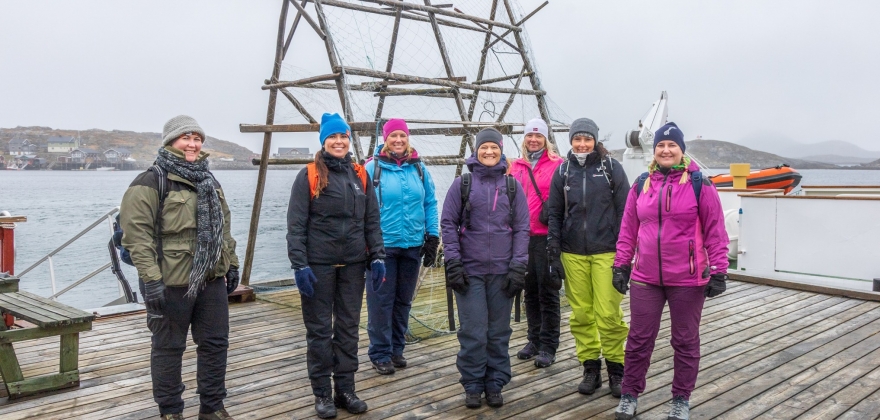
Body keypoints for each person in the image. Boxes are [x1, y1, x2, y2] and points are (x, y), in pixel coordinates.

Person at [121, 115, 240, 420]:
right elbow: (137, 236)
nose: (192, 144)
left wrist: (232, 264)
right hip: (170, 282)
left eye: (197, 138)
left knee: (215, 344)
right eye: (186, 138)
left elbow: (223, 229)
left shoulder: (210, 180)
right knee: (168, 347)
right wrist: (150, 279)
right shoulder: (150, 181)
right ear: (170, 141)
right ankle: (171, 411)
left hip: (211, 279)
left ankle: (212, 407)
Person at [612, 122, 729, 420]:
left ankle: (680, 399)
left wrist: (719, 270)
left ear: (681, 150)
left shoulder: (699, 184)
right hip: (645, 278)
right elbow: (628, 229)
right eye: (661, 146)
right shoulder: (641, 184)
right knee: (638, 339)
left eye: (672, 145)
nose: (666, 150)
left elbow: (716, 230)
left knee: (686, 340)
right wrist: (621, 265)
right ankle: (629, 393)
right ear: (654, 152)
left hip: (688, 279)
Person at [286, 113, 386, 419]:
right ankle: (322, 394)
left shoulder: (361, 175)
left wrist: (378, 255)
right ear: (323, 141)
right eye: (333, 137)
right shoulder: (309, 175)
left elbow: (371, 220)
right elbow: (296, 224)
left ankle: (346, 389)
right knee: (319, 332)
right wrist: (299, 264)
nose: (339, 142)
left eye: (343, 137)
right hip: (319, 266)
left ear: (348, 140)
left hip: (353, 266)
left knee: (347, 329)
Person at [441, 128, 530, 409]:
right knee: (473, 331)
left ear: (501, 150)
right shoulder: (462, 184)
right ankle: (473, 383)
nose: (489, 152)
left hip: (503, 272)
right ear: (476, 150)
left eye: (494, 147)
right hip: (470, 272)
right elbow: (448, 225)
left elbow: (522, 229)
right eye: (484, 147)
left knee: (498, 331)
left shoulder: (513, 187)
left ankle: (495, 382)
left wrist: (518, 267)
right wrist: (453, 263)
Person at [546, 117, 630, 397]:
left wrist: (624, 257)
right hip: (572, 254)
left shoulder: (611, 169)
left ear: (595, 141)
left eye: (587, 139)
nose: (582, 144)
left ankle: (617, 369)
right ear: (570, 141)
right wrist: (553, 252)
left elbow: (626, 213)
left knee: (608, 314)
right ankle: (590, 367)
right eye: (577, 139)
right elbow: (554, 214)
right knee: (582, 315)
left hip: (607, 251)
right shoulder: (563, 171)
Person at [364, 118, 440, 375]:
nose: (398, 140)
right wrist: (368, 245)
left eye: (403, 136)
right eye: (393, 135)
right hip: (382, 247)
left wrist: (433, 236)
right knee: (381, 302)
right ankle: (379, 352)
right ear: (385, 139)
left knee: (403, 301)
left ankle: (397, 349)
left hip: (412, 246)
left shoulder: (419, 169)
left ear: (408, 138)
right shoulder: (372, 168)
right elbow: (362, 209)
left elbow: (430, 202)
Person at [507, 118, 564, 368]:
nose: (534, 140)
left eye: (539, 136)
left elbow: (563, 199)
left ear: (546, 139)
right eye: (530, 135)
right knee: (529, 290)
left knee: (548, 291)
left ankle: (549, 345)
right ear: (524, 138)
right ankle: (534, 339)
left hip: (546, 236)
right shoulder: (515, 166)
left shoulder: (558, 165)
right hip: (521, 236)